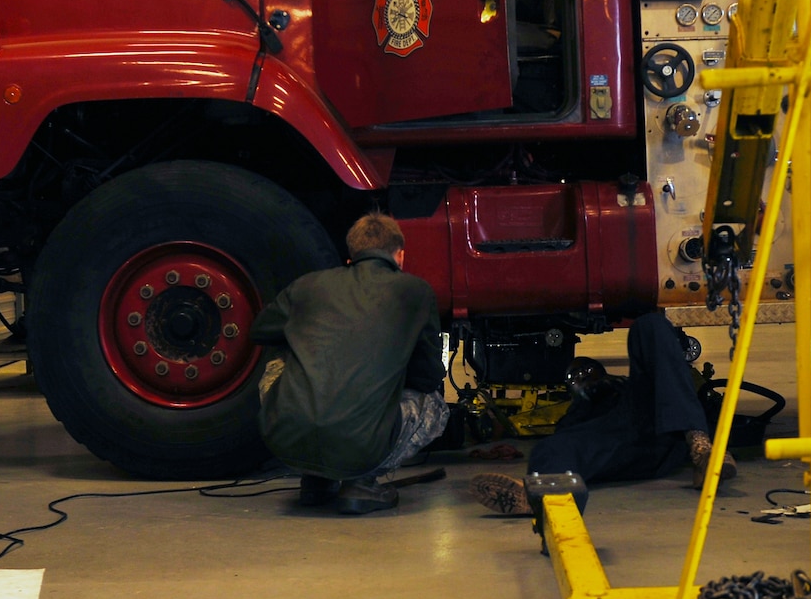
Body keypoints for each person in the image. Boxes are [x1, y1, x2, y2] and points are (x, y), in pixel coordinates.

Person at [252, 213, 450, 515]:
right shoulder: (415, 291)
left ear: (351, 254)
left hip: (286, 442)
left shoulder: (308, 285)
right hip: (362, 450)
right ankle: (363, 483)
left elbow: (261, 330)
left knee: (281, 355)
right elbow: (428, 376)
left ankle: (317, 480)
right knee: (436, 404)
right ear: (400, 255)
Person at [468, 311, 731, 515]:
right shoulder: (581, 412)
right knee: (548, 449)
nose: (585, 379)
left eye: (589, 373)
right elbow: (570, 439)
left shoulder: (633, 390)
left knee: (649, 324)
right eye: (579, 378)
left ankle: (700, 446)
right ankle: (544, 497)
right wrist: (586, 402)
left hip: (667, 432)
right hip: (620, 445)